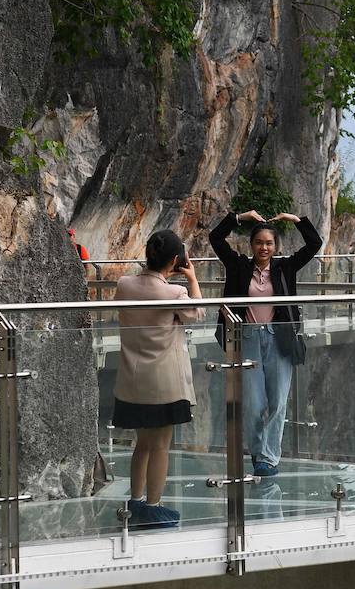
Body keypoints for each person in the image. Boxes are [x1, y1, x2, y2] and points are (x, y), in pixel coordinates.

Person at [210, 207, 323, 478]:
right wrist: (239, 218)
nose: (264, 247)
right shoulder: (239, 266)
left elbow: (314, 244)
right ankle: (257, 449)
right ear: (251, 245)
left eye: (269, 243)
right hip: (247, 337)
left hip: (279, 338)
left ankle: (268, 458)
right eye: (259, 242)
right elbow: (216, 238)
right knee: (254, 403)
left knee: (278, 401)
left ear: (276, 246)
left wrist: (296, 220)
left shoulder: (285, 267)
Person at [112, 230, 203, 528]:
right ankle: (154, 505)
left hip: (132, 380)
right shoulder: (174, 293)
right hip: (164, 383)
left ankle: (136, 500)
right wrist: (192, 280)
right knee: (161, 446)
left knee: (142, 444)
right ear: (176, 260)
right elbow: (196, 313)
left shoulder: (124, 284)